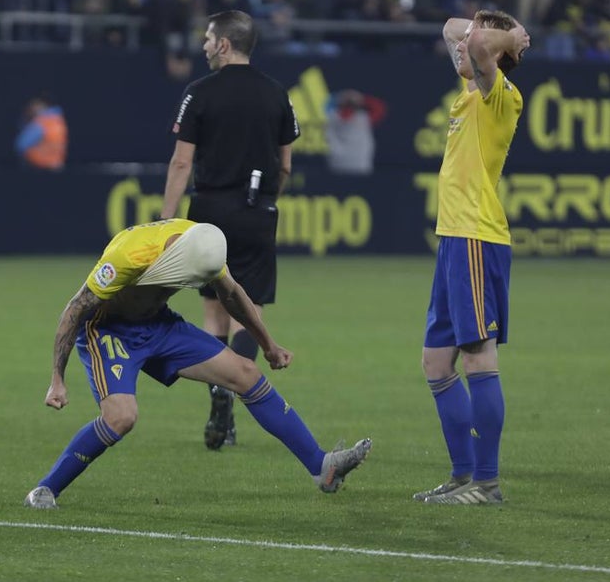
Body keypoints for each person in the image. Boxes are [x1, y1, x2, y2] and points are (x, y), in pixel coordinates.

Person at [23, 218, 372, 509]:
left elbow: (232, 295)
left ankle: (321, 467)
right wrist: (57, 378)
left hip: (160, 325)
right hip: (109, 331)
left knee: (246, 373)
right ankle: (46, 489)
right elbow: (75, 309)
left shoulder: (205, 245)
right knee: (121, 417)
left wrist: (268, 345)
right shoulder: (128, 254)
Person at [159, 10, 300, 450]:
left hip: (210, 209)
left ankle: (219, 393)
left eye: (207, 38)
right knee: (249, 308)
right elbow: (286, 165)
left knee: (213, 312)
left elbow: (182, 161)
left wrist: (167, 219)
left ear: (223, 44)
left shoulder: (198, 93)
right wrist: (264, 200)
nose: (203, 45)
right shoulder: (277, 94)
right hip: (257, 210)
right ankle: (234, 392)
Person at [415, 9, 530, 505]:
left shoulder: (497, 93)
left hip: (477, 239)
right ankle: (463, 477)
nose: (462, 45)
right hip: (454, 240)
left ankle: (487, 483)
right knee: (436, 363)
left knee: (479, 355)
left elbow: (480, 45)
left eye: (474, 42)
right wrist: (499, 30)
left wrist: (507, 39)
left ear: (498, 53)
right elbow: (450, 25)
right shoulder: (469, 92)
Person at [14, 94, 68, 171]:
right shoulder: (59, 120)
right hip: (56, 165)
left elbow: (20, 145)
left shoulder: (41, 122)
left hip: (39, 167)